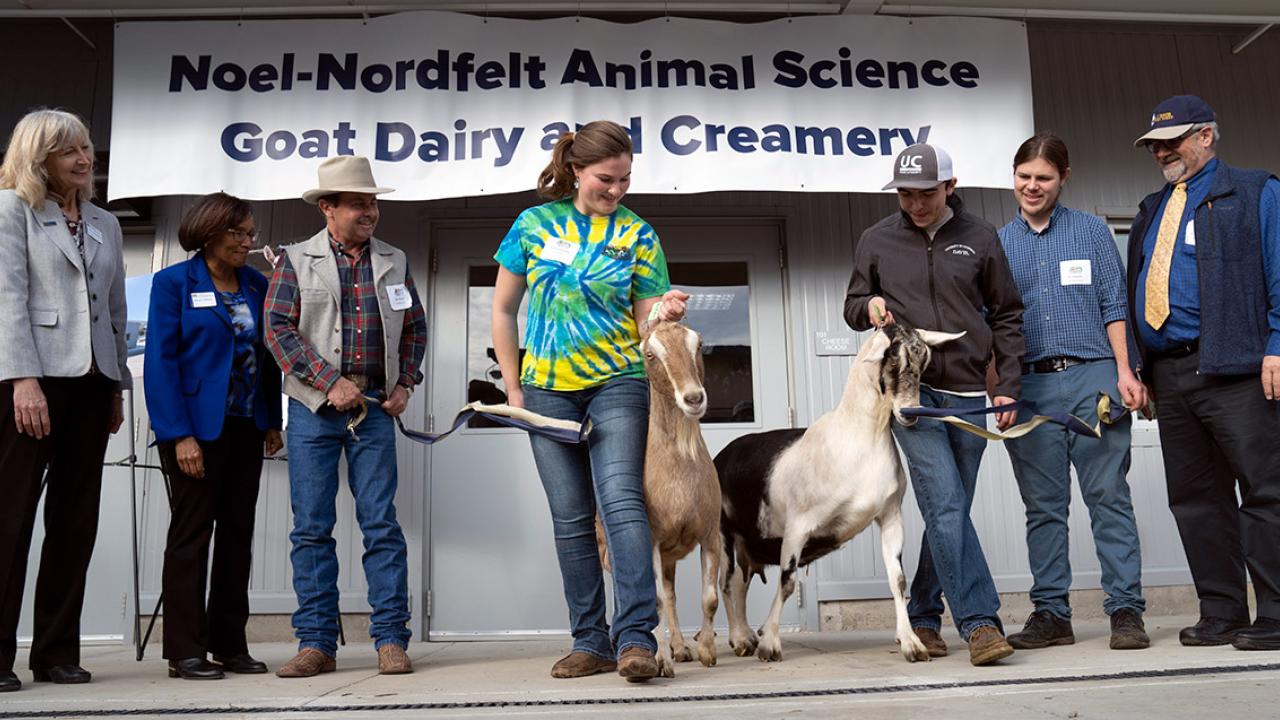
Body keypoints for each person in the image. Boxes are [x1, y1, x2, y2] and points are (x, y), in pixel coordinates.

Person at [491, 120, 689, 683]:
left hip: (617, 381)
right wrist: (513, 387)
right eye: (607, 179)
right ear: (577, 171)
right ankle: (590, 640)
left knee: (622, 502)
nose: (617, 190)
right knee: (571, 517)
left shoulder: (639, 235)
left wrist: (664, 314)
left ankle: (635, 640)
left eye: (626, 180)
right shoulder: (533, 225)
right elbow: (504, 310)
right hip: (547, 387)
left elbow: (644, 322)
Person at [844, 143, 1024, 666]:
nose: (915, 204)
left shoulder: (981, 237)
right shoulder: (876, 239)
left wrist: (1006, 382)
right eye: (905, 194)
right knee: (945, 504)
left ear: (950, 186)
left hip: (970, 394)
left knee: (952, 513)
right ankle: (981, 623)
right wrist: (869, 305)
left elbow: (1008, 313)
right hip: (909, 394)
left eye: (925, 193)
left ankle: (923, 614)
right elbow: (854, 303)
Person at [1127, 95, 1280, 651]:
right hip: (1171, 376)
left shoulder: (1257, 191)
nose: (1162, 152)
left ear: (1207, 136)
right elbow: (1138, 283)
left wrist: (1278, 345)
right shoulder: (1151, 208)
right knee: (1195, 498)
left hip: (1240, 369)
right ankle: (1222, 611)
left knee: (1265, 492)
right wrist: (1141, 367)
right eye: (1155, 145)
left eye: (1174, 140)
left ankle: (1277, 614)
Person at [265, 156, 427, 676]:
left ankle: (390, 640)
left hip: (375, 410)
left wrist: (406, 383)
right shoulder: (295, 259)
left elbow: (416, 329)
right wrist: (327, 380)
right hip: (313, 410)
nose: (370, 211)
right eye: (359, 203)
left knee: (381, 523)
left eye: (373, 202)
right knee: (311, 527)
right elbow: (278, 331)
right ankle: (316, 643)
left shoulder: (394, 260)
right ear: (328, 208)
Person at [997, 133, 1150, 652]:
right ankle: (1051, 614)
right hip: (1030, 385)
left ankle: (1126, 611)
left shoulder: (1090, 232)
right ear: (1013, 177)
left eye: (1043, 177)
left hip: (1094, 378)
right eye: (1024, 176)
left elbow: (1113, 307)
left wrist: (1126, 372)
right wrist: (1000, 391)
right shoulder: (998, 244)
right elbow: (991, 324)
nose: (1032, 186)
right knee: (1042, 506)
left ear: (1063, 178)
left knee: (1108, 497)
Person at [0, 109, 129, 692]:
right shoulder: (11, 211)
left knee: (75, 524)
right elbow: (7, 300)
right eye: (70, 150)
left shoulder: (105, 221)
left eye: (87, 148)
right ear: (39, 157)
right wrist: (22, 378)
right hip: (32, 383)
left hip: (92, 381)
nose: (85, 158)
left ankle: (55, 653)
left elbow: (117, 311)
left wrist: (117, 383)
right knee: (10, 520)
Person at [144, 193, 284, 679]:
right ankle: (184, 650)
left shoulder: (257, 284)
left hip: (245, 426)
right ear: (210, 232)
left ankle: (230, 643)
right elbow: (160, 365)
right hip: (193, 433)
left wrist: (272, 421)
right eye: (239, 233)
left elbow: (266, 356)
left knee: (238, 537)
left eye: (250, 233)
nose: (248, 242)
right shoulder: (172, 285)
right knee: (191, 535)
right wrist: (178, 435)